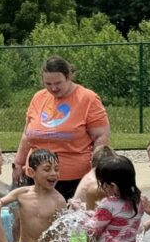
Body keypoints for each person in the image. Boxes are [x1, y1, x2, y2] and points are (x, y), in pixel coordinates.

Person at [12, 56, 111, 200]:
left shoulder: (88, 98)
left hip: (72, 179)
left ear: (69, 76)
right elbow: (27, 134)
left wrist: (96, 170)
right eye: (48, 83)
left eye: (58, 83)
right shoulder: (38, 97)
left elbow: (101, 136)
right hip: (36, 176)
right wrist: (19, 163)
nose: (53, 88)